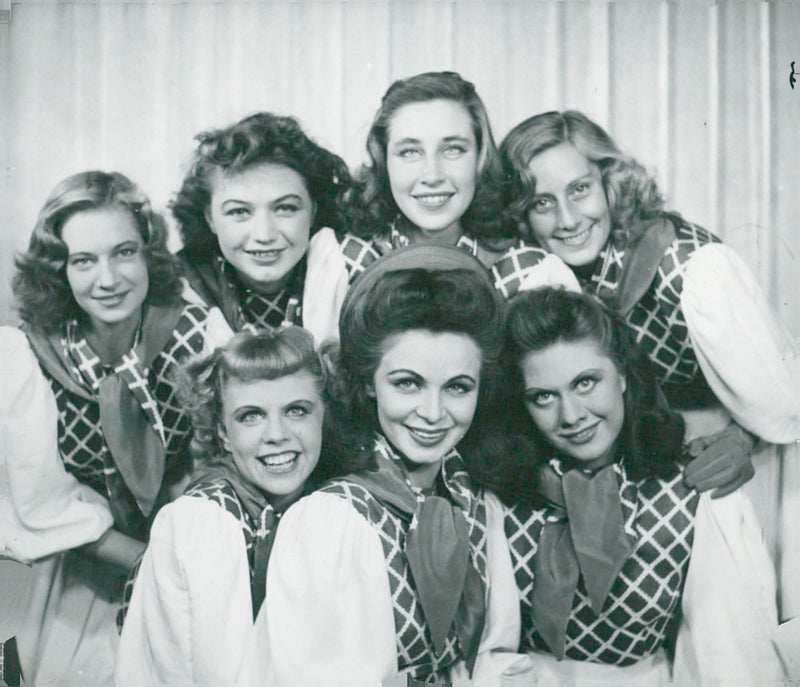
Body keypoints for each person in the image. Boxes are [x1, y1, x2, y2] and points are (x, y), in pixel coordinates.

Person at [493, 110, 799, 619]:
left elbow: (785, 403)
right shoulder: (545, 274)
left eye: (580, 190)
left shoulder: (692, 267)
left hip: (736, 467)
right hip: (645, 472)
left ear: (611, 182)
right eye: (542, 203)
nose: (567, 220)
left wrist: (742, 440)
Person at [240, 246, 520, 685]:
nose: (433, 412)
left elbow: (495, 657)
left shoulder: (475, 501)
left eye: (458, 387)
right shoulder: (331, 520)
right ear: (367, 382)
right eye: (407, 383)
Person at [481, 287, 785, 685]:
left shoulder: (693, 489)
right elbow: (490, 653)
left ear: (622, 375)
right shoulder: (500, 498)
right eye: (543, 397)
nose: (571, 415)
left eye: (586, 382)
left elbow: (727, 659)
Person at [1, 171, 229, 686]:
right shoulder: (27, 357)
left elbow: (225, 464)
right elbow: (43, 505)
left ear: (149, 254)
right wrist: (146, 563)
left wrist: (178, 560)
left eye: (124, 252)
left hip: (188, 553)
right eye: (84, 260)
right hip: (83, 562)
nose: (108, 279)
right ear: (59, 270)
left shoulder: (199, 335)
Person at [115, 327, 337, 684]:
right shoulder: (206, 523)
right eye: (251, 415)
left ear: (323, 415)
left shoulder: (328, 505)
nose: (276, 434)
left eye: (297, 410)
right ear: (222, 432)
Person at [340, 71, 540, 279]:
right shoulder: (346, 263)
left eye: (452, 150)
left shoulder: (528, 272)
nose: (432, 176)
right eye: (410, 152)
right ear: (384, 160)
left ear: (481, 157)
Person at [172, 111, 352, 343]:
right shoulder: (177, 290)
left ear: (314, 209)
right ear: (209, 218)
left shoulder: (349, 269)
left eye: (285, 208)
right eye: (239, 211)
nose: (264, 235)